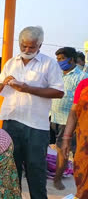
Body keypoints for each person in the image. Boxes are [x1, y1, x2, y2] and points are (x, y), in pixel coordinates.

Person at [0, 26, 64, 199]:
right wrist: (4, 83)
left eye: (31, 47)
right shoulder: (11, 62)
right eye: (23, 46)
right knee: (11, 169)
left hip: (36, 125)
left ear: (40, 45)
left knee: (36, 169)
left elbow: (58, 92)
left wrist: (27, 89)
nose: (26, 50)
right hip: (11, 121)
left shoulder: (49, 64)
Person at [50, 47, 88, 190]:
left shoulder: (82, 78)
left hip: (67, 121)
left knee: (63, 150)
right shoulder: (57, 74)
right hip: (52, 117)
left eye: (62, 59)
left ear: (71, 60)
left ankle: (58, 179)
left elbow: (77, 106)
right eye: (58, 59)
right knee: (52, 148)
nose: (59, 62)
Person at [61, 78, 88, 199]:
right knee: (83, 184)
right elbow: (73, 112)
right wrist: (66, 139)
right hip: (84, 147)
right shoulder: (84, 84)